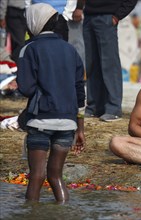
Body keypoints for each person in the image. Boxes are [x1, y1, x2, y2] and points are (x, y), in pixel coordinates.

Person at [16, 3, 85, 202]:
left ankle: (31, 214)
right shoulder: (71, 50)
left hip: (40, 121)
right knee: (56, 176)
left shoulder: (28, 49)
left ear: (33, 24)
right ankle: (64, 210)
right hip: (68, 123)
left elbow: (26, 88)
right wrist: (80, 128)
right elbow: (80, 91)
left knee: (37, 176)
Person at [82, 0, 137, 122]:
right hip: (89, 15)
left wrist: (118, 15)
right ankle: (94, 106)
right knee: (91, 64)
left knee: (109, 65)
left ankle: (113, 108)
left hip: (107, 16)